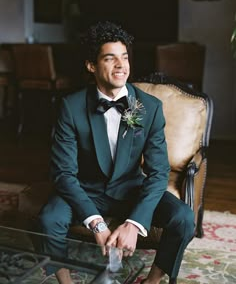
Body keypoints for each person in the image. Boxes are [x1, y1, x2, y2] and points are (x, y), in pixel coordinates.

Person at [38, 21, 195, 284]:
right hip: (86, 188)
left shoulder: (149, 107)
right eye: (110, 59)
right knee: (49, 218)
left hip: (130, 188)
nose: (121, 65)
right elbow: (63, 172)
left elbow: (159, 172)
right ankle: (65, 281)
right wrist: (97, 223)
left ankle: (153, 280)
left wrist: (134, 223)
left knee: (183, 217)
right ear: (92, 65)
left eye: (124, 57)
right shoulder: (70, 106)